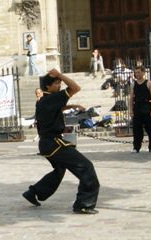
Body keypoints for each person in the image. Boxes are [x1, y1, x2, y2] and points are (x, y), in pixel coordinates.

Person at [22, 68, 100, 214]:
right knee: (86, 167)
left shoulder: (43, 100)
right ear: (48, 86)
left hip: (47, 144)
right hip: (54, 144)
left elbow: (56, 108)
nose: (59, 86)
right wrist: (60, 75)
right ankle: (84, 204)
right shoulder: (51, 98)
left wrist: (71, 106)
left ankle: (33, 192)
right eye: (57, 83)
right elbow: (75, 88)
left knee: (59, 170)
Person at [128, 66, 151, 153]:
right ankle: (136, 147)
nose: (137, 74)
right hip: (137, 107)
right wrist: (130, 110)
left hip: (147, 106)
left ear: (143, 72)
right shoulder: (133, 84)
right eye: (136, 72)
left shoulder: (149, 83)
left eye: (139, 72)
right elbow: (131, 98)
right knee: (137, 129)